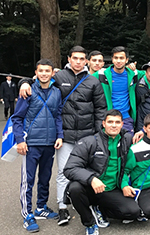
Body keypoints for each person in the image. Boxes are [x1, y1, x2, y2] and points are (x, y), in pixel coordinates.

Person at [19, 46, 107, 225]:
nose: (78, 61)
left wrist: (99, 134)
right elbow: (38, 78)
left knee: (88, 171)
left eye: (82, 59)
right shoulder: (58, 77)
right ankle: (62, 207)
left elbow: (100, 109)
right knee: (63, 172)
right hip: (64, 135)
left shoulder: (93, 81)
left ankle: (86, 202)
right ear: (69, 59)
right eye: (75, 58)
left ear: (86, 61)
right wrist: (24, 83)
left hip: (87, 135)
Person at [63, 110, 138, 235]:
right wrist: (91, 179)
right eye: (110, 122)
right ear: (103, 123)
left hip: (111, 189)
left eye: (117, 122)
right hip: (91, 188)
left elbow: (126, 168)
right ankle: (89, 223)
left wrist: (124, 184)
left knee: (133, 212)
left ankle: (99, 208)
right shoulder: (89, 142)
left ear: (122, 124)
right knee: (75, 188)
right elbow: (70, 168)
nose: (113, 125)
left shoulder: (127, 140)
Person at [12, 59, 63, 232]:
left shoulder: (57, 92)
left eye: (47, 71)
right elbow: (17, 118)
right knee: (28, 181)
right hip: (31, 143)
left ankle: (41, 208)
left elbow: (57, 116)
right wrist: (20, 140)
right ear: (36, 72)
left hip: (49, 143)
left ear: (52, 73)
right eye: (40, 71)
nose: (44, 74)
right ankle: (27, 215)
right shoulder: (28, 91)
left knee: (45, 178)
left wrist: (60, 136)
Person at [93, 47, 136, 132]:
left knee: (128, 143)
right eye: (116, 58)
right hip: (108, 118)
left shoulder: (133, 74)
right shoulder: (102, 74)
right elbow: (83, 78)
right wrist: (59, 72)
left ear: (127, 60)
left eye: (121, 58)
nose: (118, 61)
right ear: (112, 59)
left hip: (126, 118)